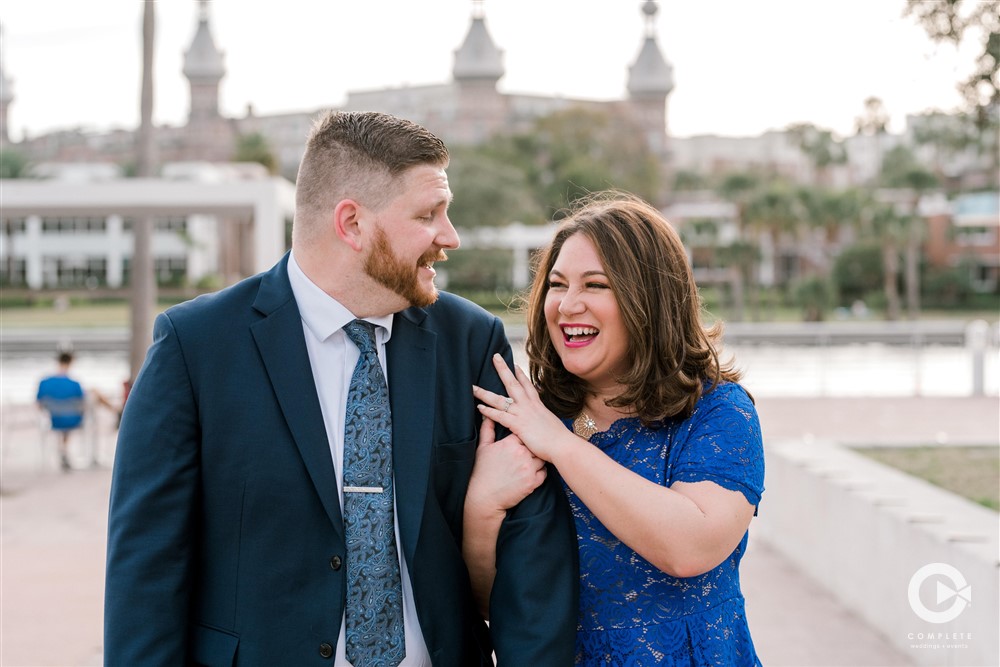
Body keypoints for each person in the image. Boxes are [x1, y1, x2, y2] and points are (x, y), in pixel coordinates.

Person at [104, 111, 577, 666]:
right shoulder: (196, 347)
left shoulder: (472, 340)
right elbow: (146, 569)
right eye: (428, 215)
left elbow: (532, 548)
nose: (450, 237)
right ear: (351, 224)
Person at [465, 192, 765, 665]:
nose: (567, 305)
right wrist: (482, 503)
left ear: (650, 299)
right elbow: (489, 604)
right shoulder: (533, 418)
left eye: (596, 285)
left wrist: (562, 447)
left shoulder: (718, 413)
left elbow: (689, 548)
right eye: (558, 284)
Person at [36, 350, 85, 471]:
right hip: (73, 419)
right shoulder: (75, 384)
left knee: (62, 419)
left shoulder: (44, 382)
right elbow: (82, 404)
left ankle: (62, 449)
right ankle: (63, 449)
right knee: (68, 422)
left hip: (54, 419)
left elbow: (39, 404)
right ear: (71, 362)